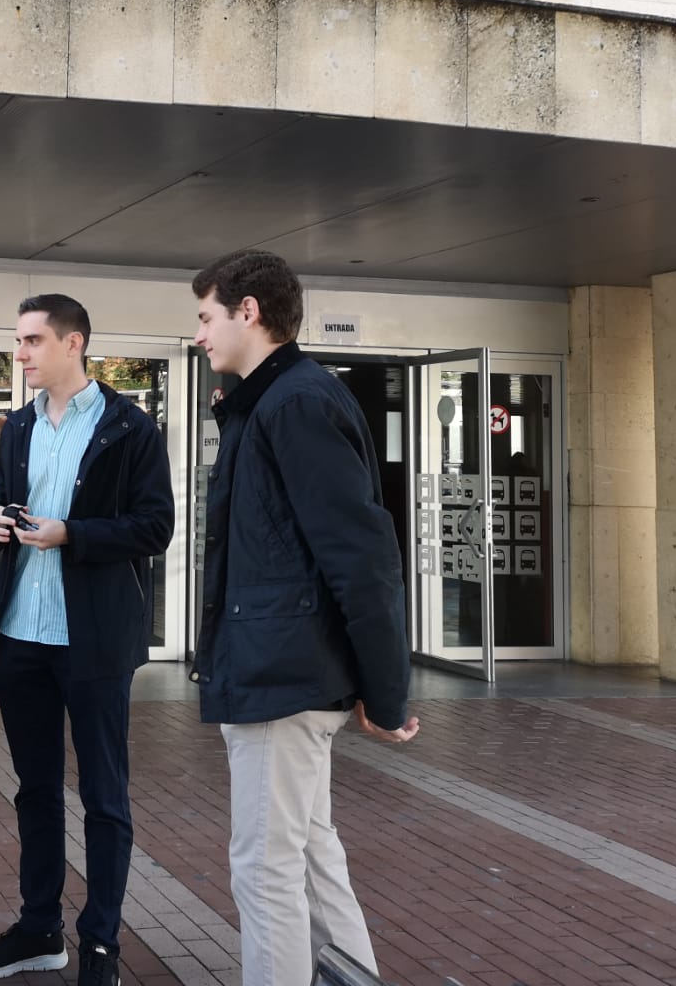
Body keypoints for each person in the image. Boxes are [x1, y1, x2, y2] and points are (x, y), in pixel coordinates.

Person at [190, 249, 419, 986]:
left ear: (248, 313)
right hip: (277, 668)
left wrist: (385, 692)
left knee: (265, 869)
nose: (200, 335)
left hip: (280, 676)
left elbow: (361, 556)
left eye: (206, 316)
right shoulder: (270, 405)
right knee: (310, 851)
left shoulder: (297, 404)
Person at [0, 294, 175, 986]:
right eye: (17, 340)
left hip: (93, 642)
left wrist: (72, 535)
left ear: (73, 342)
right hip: (21, 634)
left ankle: (102, 947)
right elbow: (2, 500)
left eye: (30, 341)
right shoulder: (18, 425)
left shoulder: (130, 429)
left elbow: (154, 527)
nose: (19, 353)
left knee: (104, 797)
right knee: (35, 789)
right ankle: (38, 929)